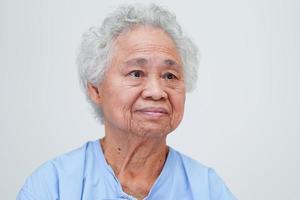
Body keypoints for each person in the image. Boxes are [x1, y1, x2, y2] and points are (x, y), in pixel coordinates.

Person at [17, 4, 236, 200]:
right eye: (136, 73)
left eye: (170, 76)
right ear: (95, 89)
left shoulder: (207, 188)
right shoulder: (53, 186)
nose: (156, 92)